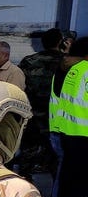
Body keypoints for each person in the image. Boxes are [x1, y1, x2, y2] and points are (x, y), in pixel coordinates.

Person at [49, 37, 88, 197]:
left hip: (66, 132)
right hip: (83, 136)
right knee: (77, 185)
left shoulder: (64, 69)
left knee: (67, 182)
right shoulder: (85, 70)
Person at [16, 28, 65, 179]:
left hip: (33, 114)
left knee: (27, 153)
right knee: (56, 156)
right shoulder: (66, 62)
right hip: (57, 116)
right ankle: (56, 192)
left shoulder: (29, 61)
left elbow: (20, 86)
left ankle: (24, 186)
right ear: (60, 41)